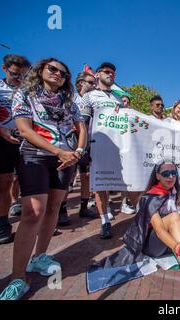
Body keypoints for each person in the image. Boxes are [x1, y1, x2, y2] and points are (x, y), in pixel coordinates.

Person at [0, 58, 87, 300]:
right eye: (52, 69)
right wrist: (57, 151)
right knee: (32, 213)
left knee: (53, 209)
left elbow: (81, 128)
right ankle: (18, 278)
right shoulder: (24, 93)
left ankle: (39, 257)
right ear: (41, 71)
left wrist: (77, 152)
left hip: (66, 158)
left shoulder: (70, 100)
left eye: (63, 73)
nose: (58, 74)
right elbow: (25, 130)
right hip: (35, 156)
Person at [90, 161, 180, 300]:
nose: (171, 176)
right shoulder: (150, 197)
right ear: (157, 176)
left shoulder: (178, 194)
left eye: (174, 173)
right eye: (166, 173)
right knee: (174, 217)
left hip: (173, 242)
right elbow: (159, 230)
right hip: (153, 245)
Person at [0, 54, 31, 244]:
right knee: (3, 182)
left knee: (30, 182)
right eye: (16, 74)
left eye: (24, 76)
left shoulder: (30, 91)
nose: (20, 79)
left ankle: (32, 222)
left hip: (26, 140)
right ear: (4, 69)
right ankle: (3, 225)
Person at [79, 62, 125, 239]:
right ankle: (105, 220)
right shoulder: (89, 96)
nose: (111, 74)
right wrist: (85, 147)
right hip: (96, 145)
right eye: (107, 72)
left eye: (113, 72)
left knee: (119, 182)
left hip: (117, 147)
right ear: (97, 75)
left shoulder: (118, 99)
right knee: (100, 185)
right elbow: (82, 122)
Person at [58, 71, 98, 225]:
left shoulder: (94, 99)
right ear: (81, 82)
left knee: (86, 175)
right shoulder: (70, 97)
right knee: (68, 176)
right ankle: (62, 209)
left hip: (88, 141)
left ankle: (84, 207)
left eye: (94, 83)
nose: (93, 85)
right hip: (70, 141)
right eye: (90, 82)